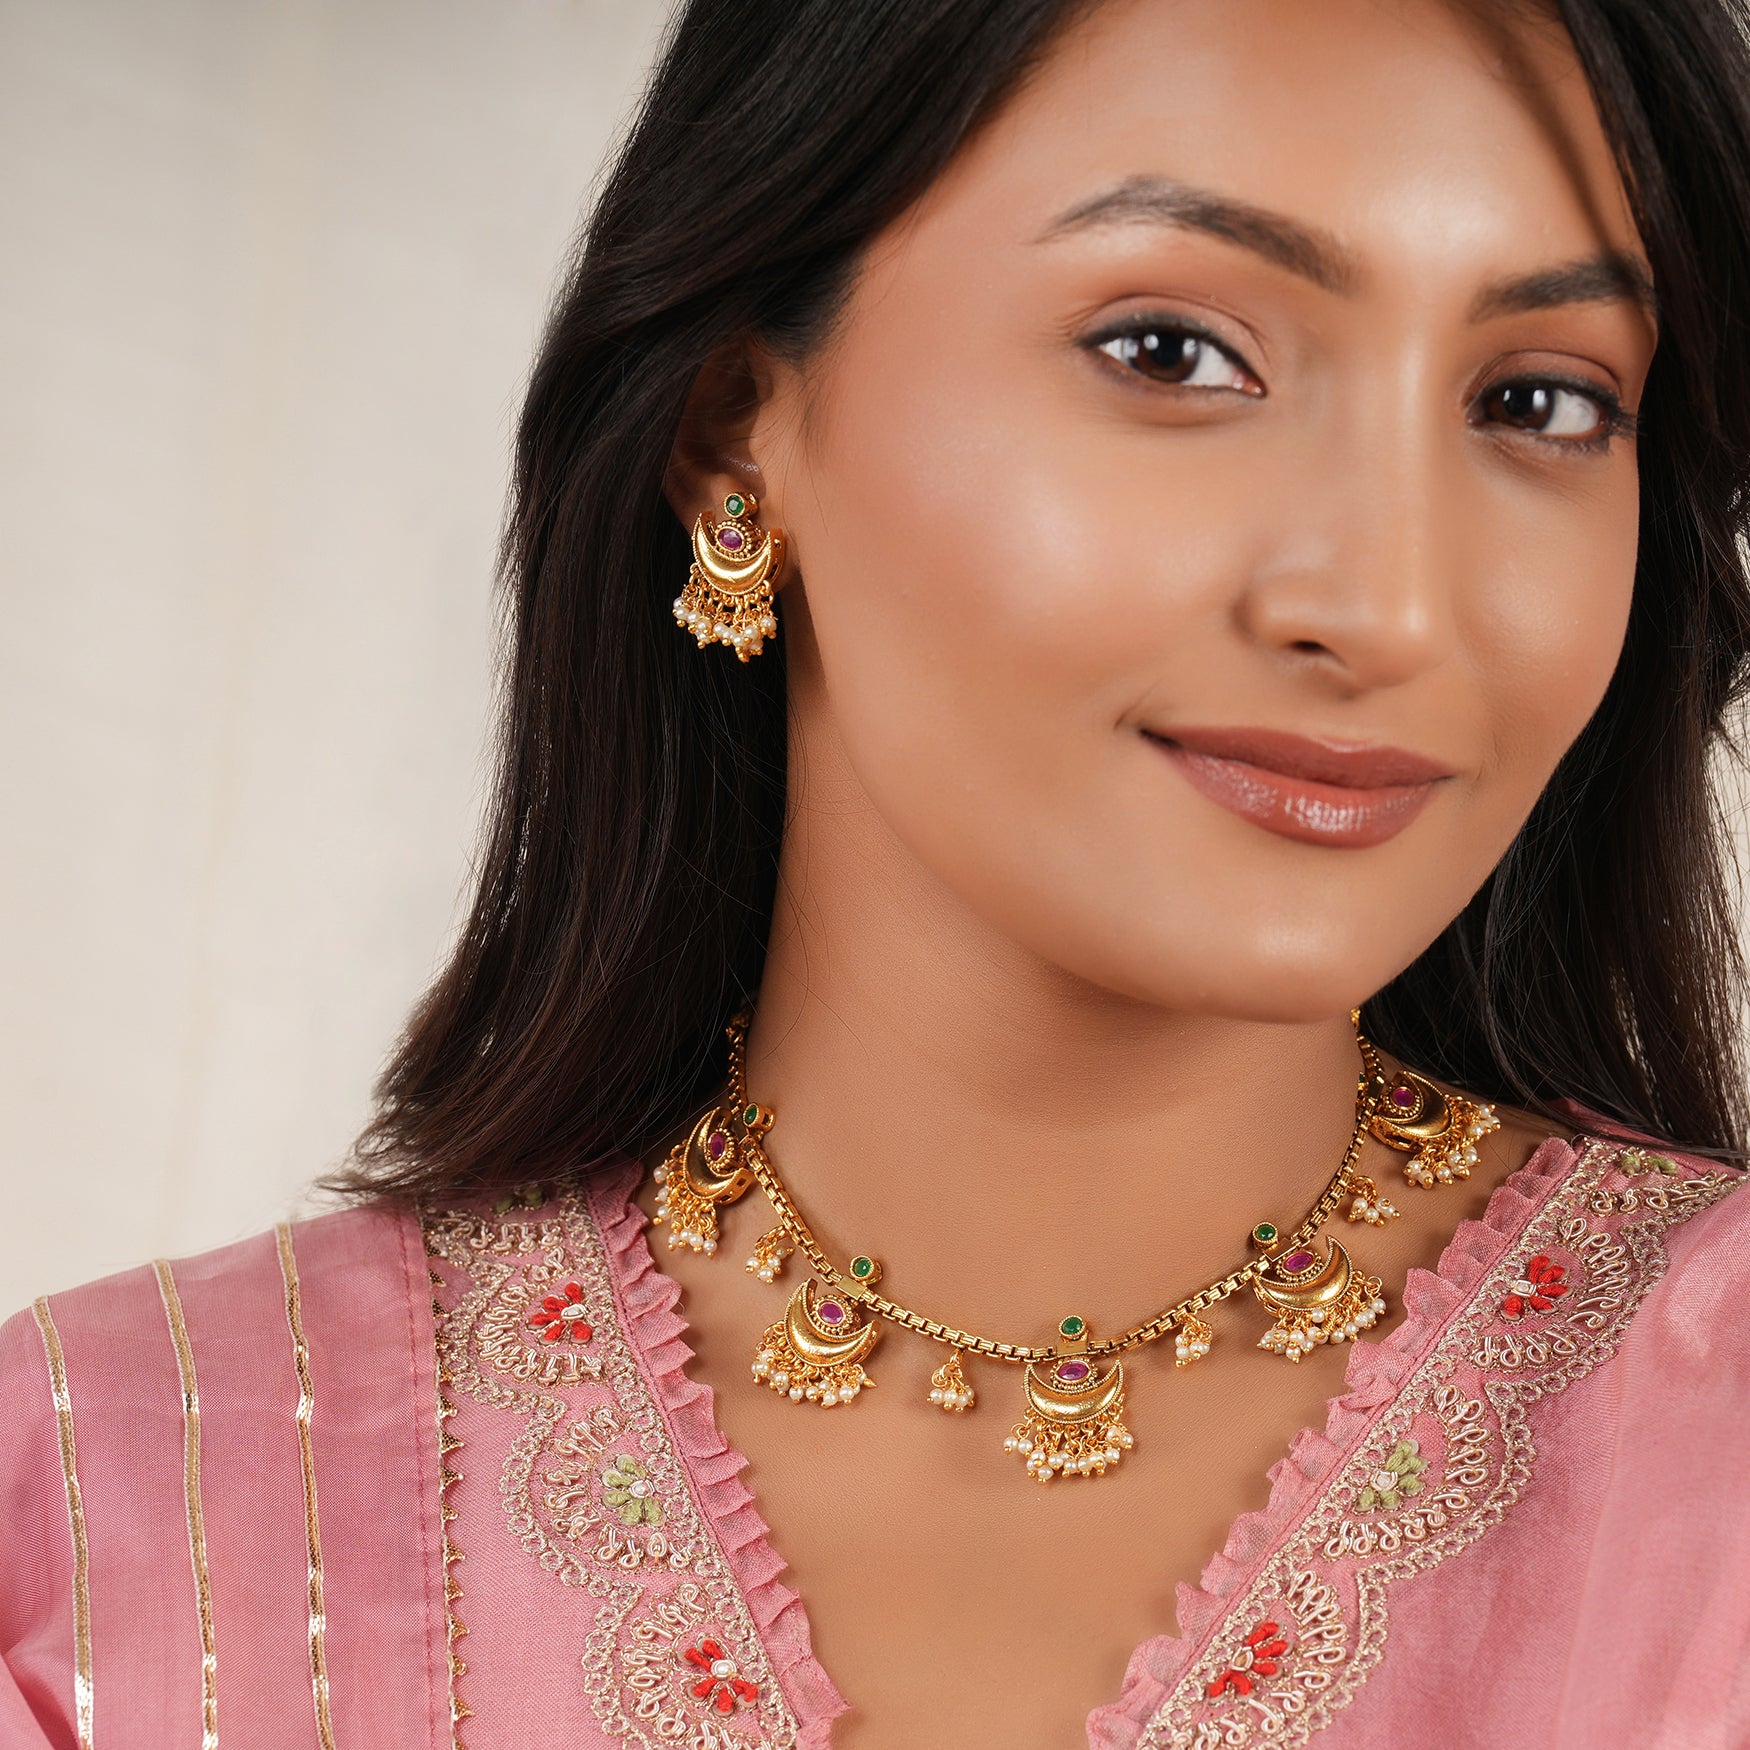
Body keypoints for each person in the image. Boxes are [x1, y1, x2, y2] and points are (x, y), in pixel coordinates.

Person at [7, 0, 1750, 1744]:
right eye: (1170, 353)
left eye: (1538, 400)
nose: (1391, 606)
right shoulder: (109, 1517)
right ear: (733, 429)